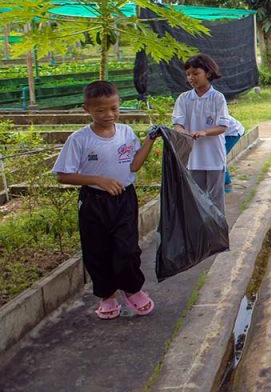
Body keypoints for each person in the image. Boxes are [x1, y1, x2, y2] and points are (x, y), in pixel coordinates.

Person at [53, 81, 158, 319]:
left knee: (127, 248)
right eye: (100, 110)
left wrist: (150, 140)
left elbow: (134, 165)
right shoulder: (79, 139)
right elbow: (62, 175)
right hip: (94, 202)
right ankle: (107, 295)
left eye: (114, 108)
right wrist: (98, 180)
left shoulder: (126, 133)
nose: (109, 114)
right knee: (97, 250)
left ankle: (132, 290)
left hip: (124, 199)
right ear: (87, 109)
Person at [172, 54, 229, 215]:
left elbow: (222, 126)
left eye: (196, 73)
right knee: (196, 198)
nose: (191, 78)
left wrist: (204, 132)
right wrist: (184, 132)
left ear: (208, 73)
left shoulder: (218, 98)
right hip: (193, 158)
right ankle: (199, 229)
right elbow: (178, 124)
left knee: (216, 198)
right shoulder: (183, 99)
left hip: (214, 157)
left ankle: (218, 228)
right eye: (188, 74)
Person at [223, 114, 245, 193]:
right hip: (227, 131)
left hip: (232, 132)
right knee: (217, 158)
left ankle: (227, 184)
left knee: (218, 158)